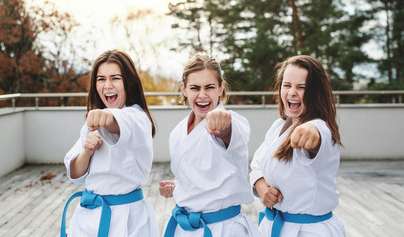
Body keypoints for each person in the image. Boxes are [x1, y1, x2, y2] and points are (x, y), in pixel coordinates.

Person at [159, 53, 261, 237]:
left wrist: (223, 125)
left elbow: (230, 132)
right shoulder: (178, 132)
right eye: (195, 88)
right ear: (184, 89)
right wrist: (177, 186)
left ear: (221, 88)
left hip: (224, 229)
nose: (202, 95)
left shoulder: (233, 122)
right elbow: (202, 177)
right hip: (186, 228)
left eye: (210, 87)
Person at [61, 49, 159, 237]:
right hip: (88, 217)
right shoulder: (91, 122)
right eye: (101, 79)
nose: (107, 85)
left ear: (128, 83)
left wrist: (107, 116)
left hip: (126, 220)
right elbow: (74, 173)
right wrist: (86, 153)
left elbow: (119, 123)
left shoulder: (138, 119)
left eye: (115, 78)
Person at [249, 55, 346, 237]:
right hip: (275, 225)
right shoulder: (278, 126)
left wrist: (310, 131)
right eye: (287, 85)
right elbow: (256, 165)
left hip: (310, 231)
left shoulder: (322, 129)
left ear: (316, 93)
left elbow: (316, 135)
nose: (292, 92)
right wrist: (263, 190)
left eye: (301, 87)